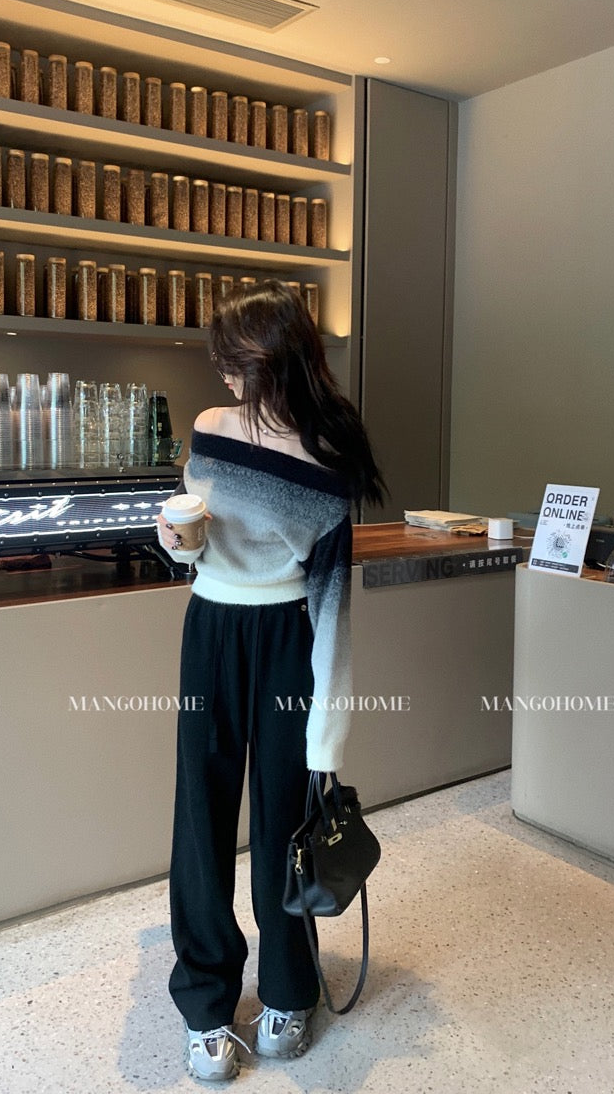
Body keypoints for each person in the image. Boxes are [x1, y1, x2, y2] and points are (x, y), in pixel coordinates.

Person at [157, 280, 385, 1082]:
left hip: (290, 634)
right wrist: (175, 542)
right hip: (211, 628)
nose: (223, 374)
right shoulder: (211, 428)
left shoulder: (328, 457)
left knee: (288, 823)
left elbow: (333, 606)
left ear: (273, 357)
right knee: (201, 815)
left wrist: (328, 737)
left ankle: (289, 990)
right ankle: (205, 1003)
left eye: (233, 360)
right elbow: (194, 539)